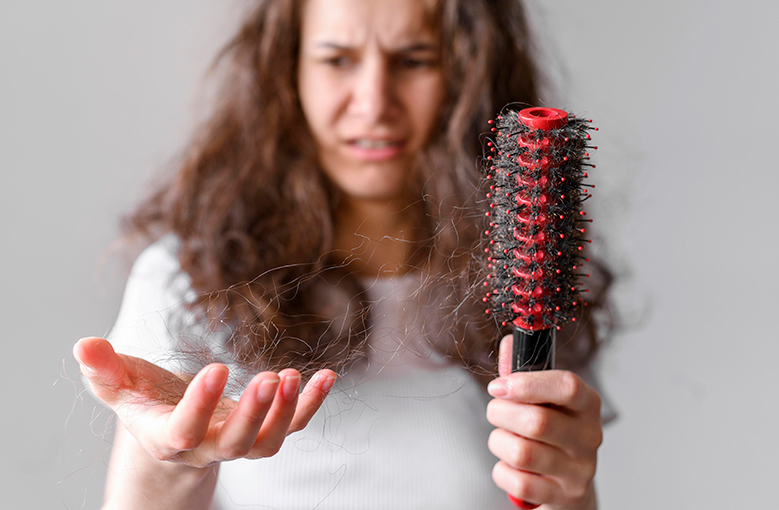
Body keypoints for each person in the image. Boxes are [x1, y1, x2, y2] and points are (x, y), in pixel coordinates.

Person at [74, 0, 612, 508]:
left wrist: (569, 497)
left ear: (468, 74)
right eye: (337, 60)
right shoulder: (187, 280)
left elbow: (548, 489)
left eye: (413, 59)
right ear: (289, 73)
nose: (374, 102)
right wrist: (173, 460)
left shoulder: (531, 280)